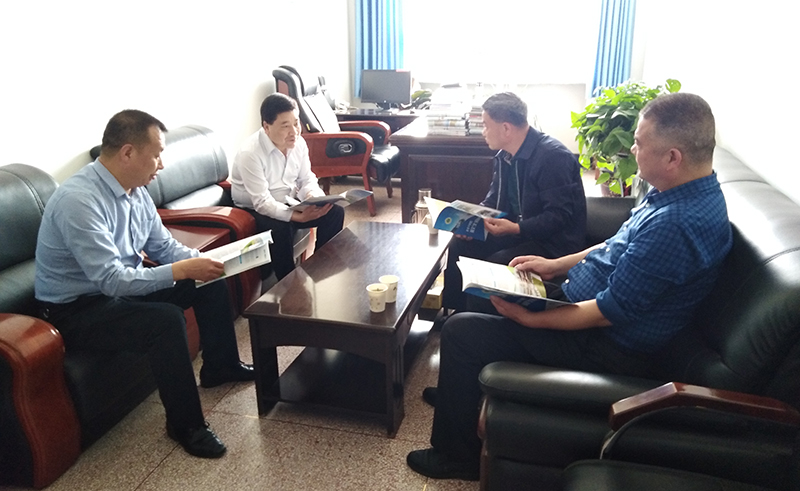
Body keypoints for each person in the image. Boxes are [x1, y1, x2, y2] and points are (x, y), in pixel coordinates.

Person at [406, 92, 733, 481]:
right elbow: (613, 245)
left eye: (639, 143)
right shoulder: (672, 193)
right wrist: (554, 266)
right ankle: (459, 395)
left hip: (605, 345)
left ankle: (457, 457)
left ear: (672, 157)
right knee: (484, 295)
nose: (632, 149)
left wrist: (533, 320)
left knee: (462, 332)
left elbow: (608, 312)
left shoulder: (676, 225)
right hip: (581, 300)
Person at [35, 110, 254, 459]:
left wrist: (204, 263)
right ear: (127, 153)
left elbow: (162, 246)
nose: (161, 165)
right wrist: (180, 271)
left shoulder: (136, 190)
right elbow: (111, 280)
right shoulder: (79, 201)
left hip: (120, 287)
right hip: (77, 308)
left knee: (207, 280)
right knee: (165, 321)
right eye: (156, 155)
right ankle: (186, 426)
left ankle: (221, 365)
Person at [440, 92, 586, 314]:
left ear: (506, 128)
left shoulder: (553, 157)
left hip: (552, 243)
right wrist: (473, 222)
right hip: (518, 230)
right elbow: (493, 199)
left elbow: (558, 217)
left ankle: (481, 320)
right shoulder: (505, 155)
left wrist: (516, 228)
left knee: (497, 262)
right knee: (460, 246)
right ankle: (455, 314)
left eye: (486, 125)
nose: (483, 132)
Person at [231, 93, 344, 280]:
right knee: (281, 228)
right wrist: (297, 216)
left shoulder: (299, 143)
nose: (294, 132)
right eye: (285, 126)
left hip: (289, 201)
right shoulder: (250, 153)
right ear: (266, 127)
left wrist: (312, 196)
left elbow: (306, 178)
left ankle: (321, 271)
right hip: (253, 209)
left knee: (334, 212)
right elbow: (262, 202)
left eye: (296, 123)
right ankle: (289, 285)